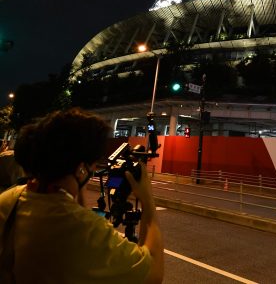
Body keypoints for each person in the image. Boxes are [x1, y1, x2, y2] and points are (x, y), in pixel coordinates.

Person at [0, 108, 164, 283]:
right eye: (92, 166)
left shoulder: (10, 199)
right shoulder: (85, 229)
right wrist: (147, 198)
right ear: (81, 169)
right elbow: (153, 273)